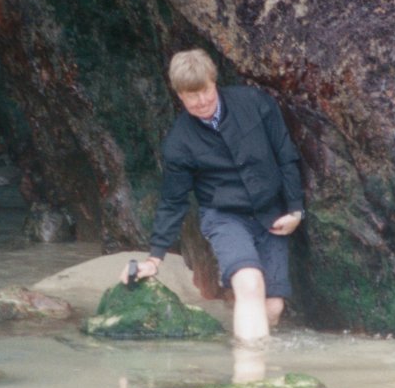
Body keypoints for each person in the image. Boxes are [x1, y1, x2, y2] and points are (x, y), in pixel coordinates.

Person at [122, 49, 304, 344]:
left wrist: (295, 209)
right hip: (224, 216)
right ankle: (248, 369)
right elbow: (173, 201)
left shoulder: (255, 102)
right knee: (249, 283)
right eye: (191, 96)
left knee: (272, 308)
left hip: (271, 212)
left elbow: (286, 155)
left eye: (205, 91)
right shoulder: (179, 143)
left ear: (214, 81)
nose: (202, 101)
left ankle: (248, 349)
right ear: (179, 95)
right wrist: (155, 258)